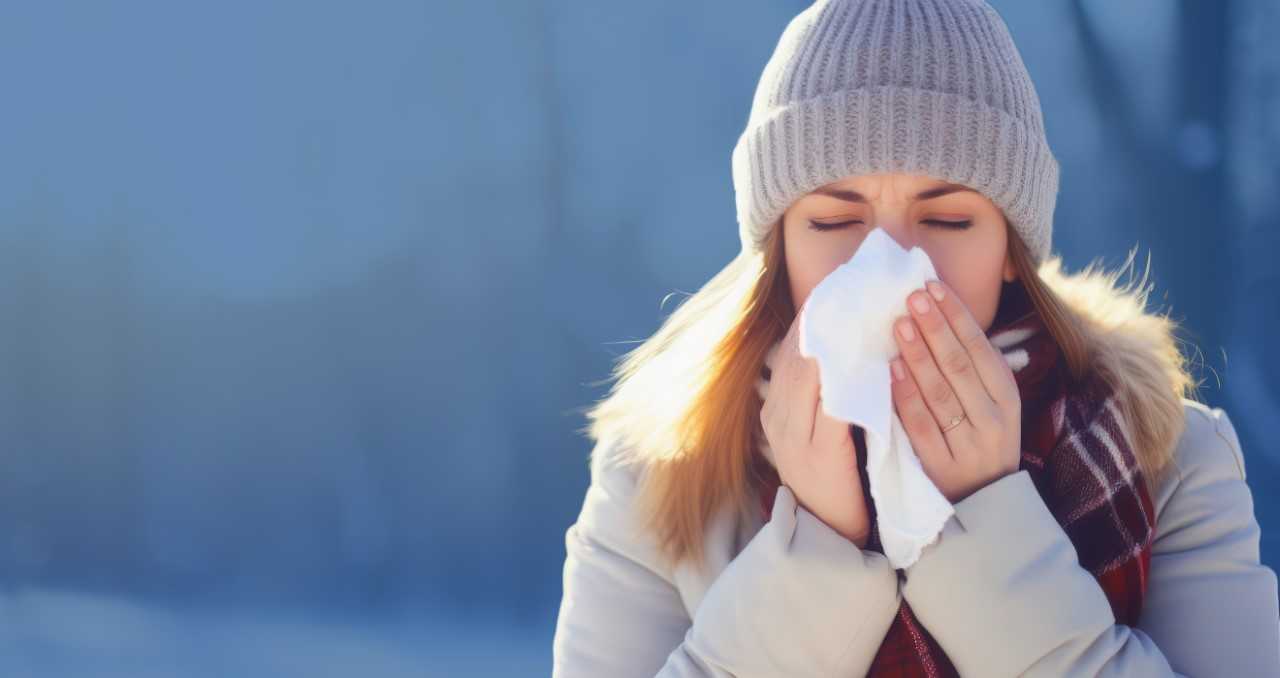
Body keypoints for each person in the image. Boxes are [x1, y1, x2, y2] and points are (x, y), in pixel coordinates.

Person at [552, 0, 1280, 675]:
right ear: (778, 251)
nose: (892, 267)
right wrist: (815, 553)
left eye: (949, 220)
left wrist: (991, 524)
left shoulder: (1171, 460)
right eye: (836, 222)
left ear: (1009, 252)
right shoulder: (659, 479)